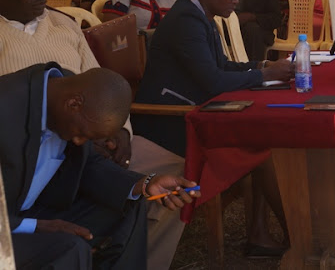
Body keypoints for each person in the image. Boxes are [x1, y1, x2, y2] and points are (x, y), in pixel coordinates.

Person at [0, 0, 191, 270]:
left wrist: (119, 132)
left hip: (84, 141)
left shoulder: (64, 25)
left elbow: (100, 83)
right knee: (68, 244)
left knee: (149, 189)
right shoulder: (11, 98)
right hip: (22, 176)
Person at [134, 0, 293, 255]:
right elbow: (215, 82)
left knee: (264, 142)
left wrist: (263, 68)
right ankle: (297, 241)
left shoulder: (197, 14)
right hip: (169, 125)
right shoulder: (187, 21)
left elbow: (220, 68)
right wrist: (265, 76)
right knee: (264, 149)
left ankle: (266, 235)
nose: (236, 1)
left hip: (191, 112)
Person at [2, 64, 199, 270]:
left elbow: (87, 162)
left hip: (30, 210)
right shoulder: (7, 106)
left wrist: (144, 184)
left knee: (128, 205)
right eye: (81, 133)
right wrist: (36, 227)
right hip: (5, 228)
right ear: (73, 104)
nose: (78, 141)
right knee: (71, 249)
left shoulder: (69, 92)